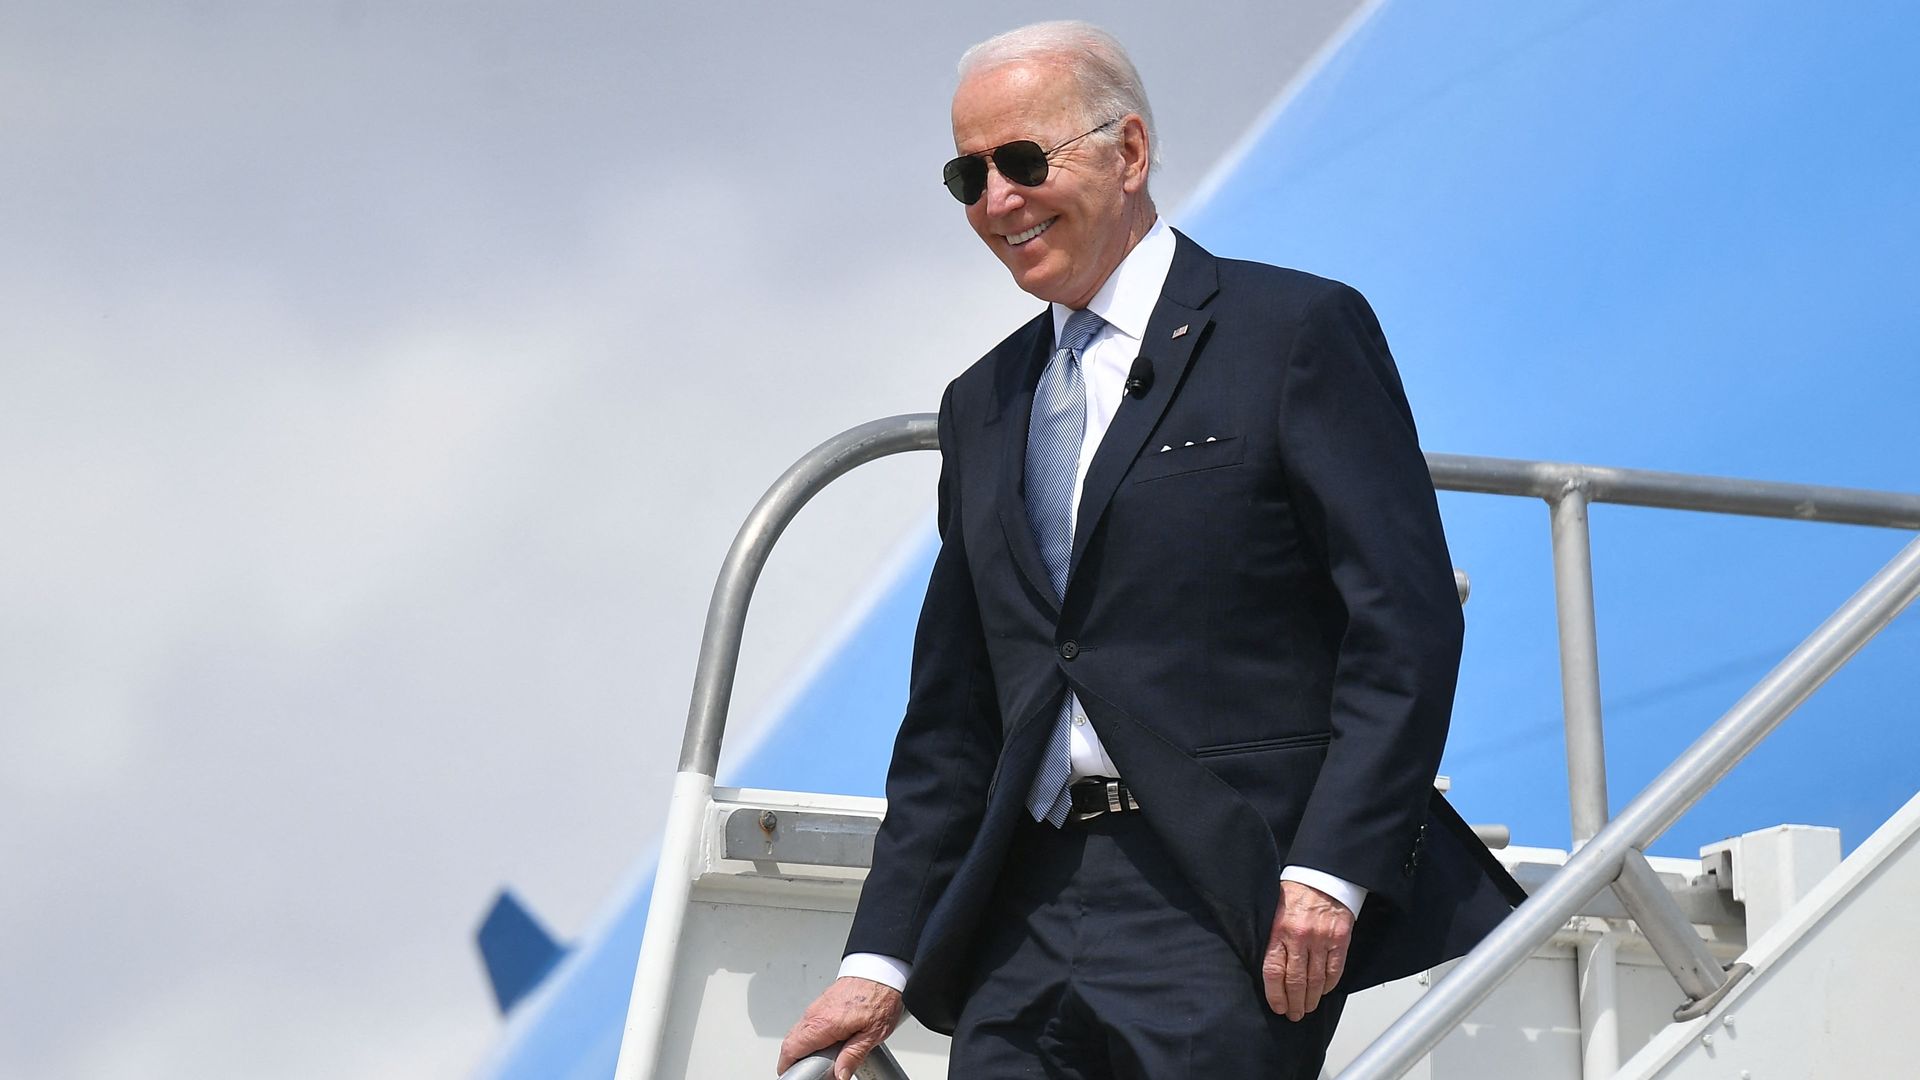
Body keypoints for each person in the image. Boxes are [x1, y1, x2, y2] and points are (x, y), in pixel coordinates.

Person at [778, 20, 1523, 1080]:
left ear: (1128, 152)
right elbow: (955, 715)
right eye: (969, 175)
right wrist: (879, 960)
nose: (997, 201)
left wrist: (1331, 872)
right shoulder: (982, 402)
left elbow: (1401, 622)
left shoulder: (1291, 332)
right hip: (1021, 912)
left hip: (1223, 902)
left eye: (1024, 162)